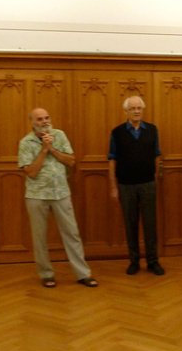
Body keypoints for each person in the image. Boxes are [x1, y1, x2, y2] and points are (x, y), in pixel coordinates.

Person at [18, 108, 97, 288]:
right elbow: (31, 172)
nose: (44, 122)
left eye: (47, 118)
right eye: (39, 119)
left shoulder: (60, 135)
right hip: (37, 196)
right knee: (39, 238)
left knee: (72, 234)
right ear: (32, 123)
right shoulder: (26, 142)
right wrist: (43, 150)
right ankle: (47, 275)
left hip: (61, 193)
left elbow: (71, 161)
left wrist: (52, 148)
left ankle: (83, 274)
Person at [108, 95, 164, 276]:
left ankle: (153, 261)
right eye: (132, 108)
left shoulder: (152, 130)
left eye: (139, 108)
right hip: (126, 186)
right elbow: (112, 161)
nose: (136, 111)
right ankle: (134, 261)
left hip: (148, 184)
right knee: (130, 224)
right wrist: (114, 187)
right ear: (126, 111)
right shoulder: (117, 132)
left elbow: (157, 156)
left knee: (150, 224)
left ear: (143, 110)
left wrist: (153, 178)